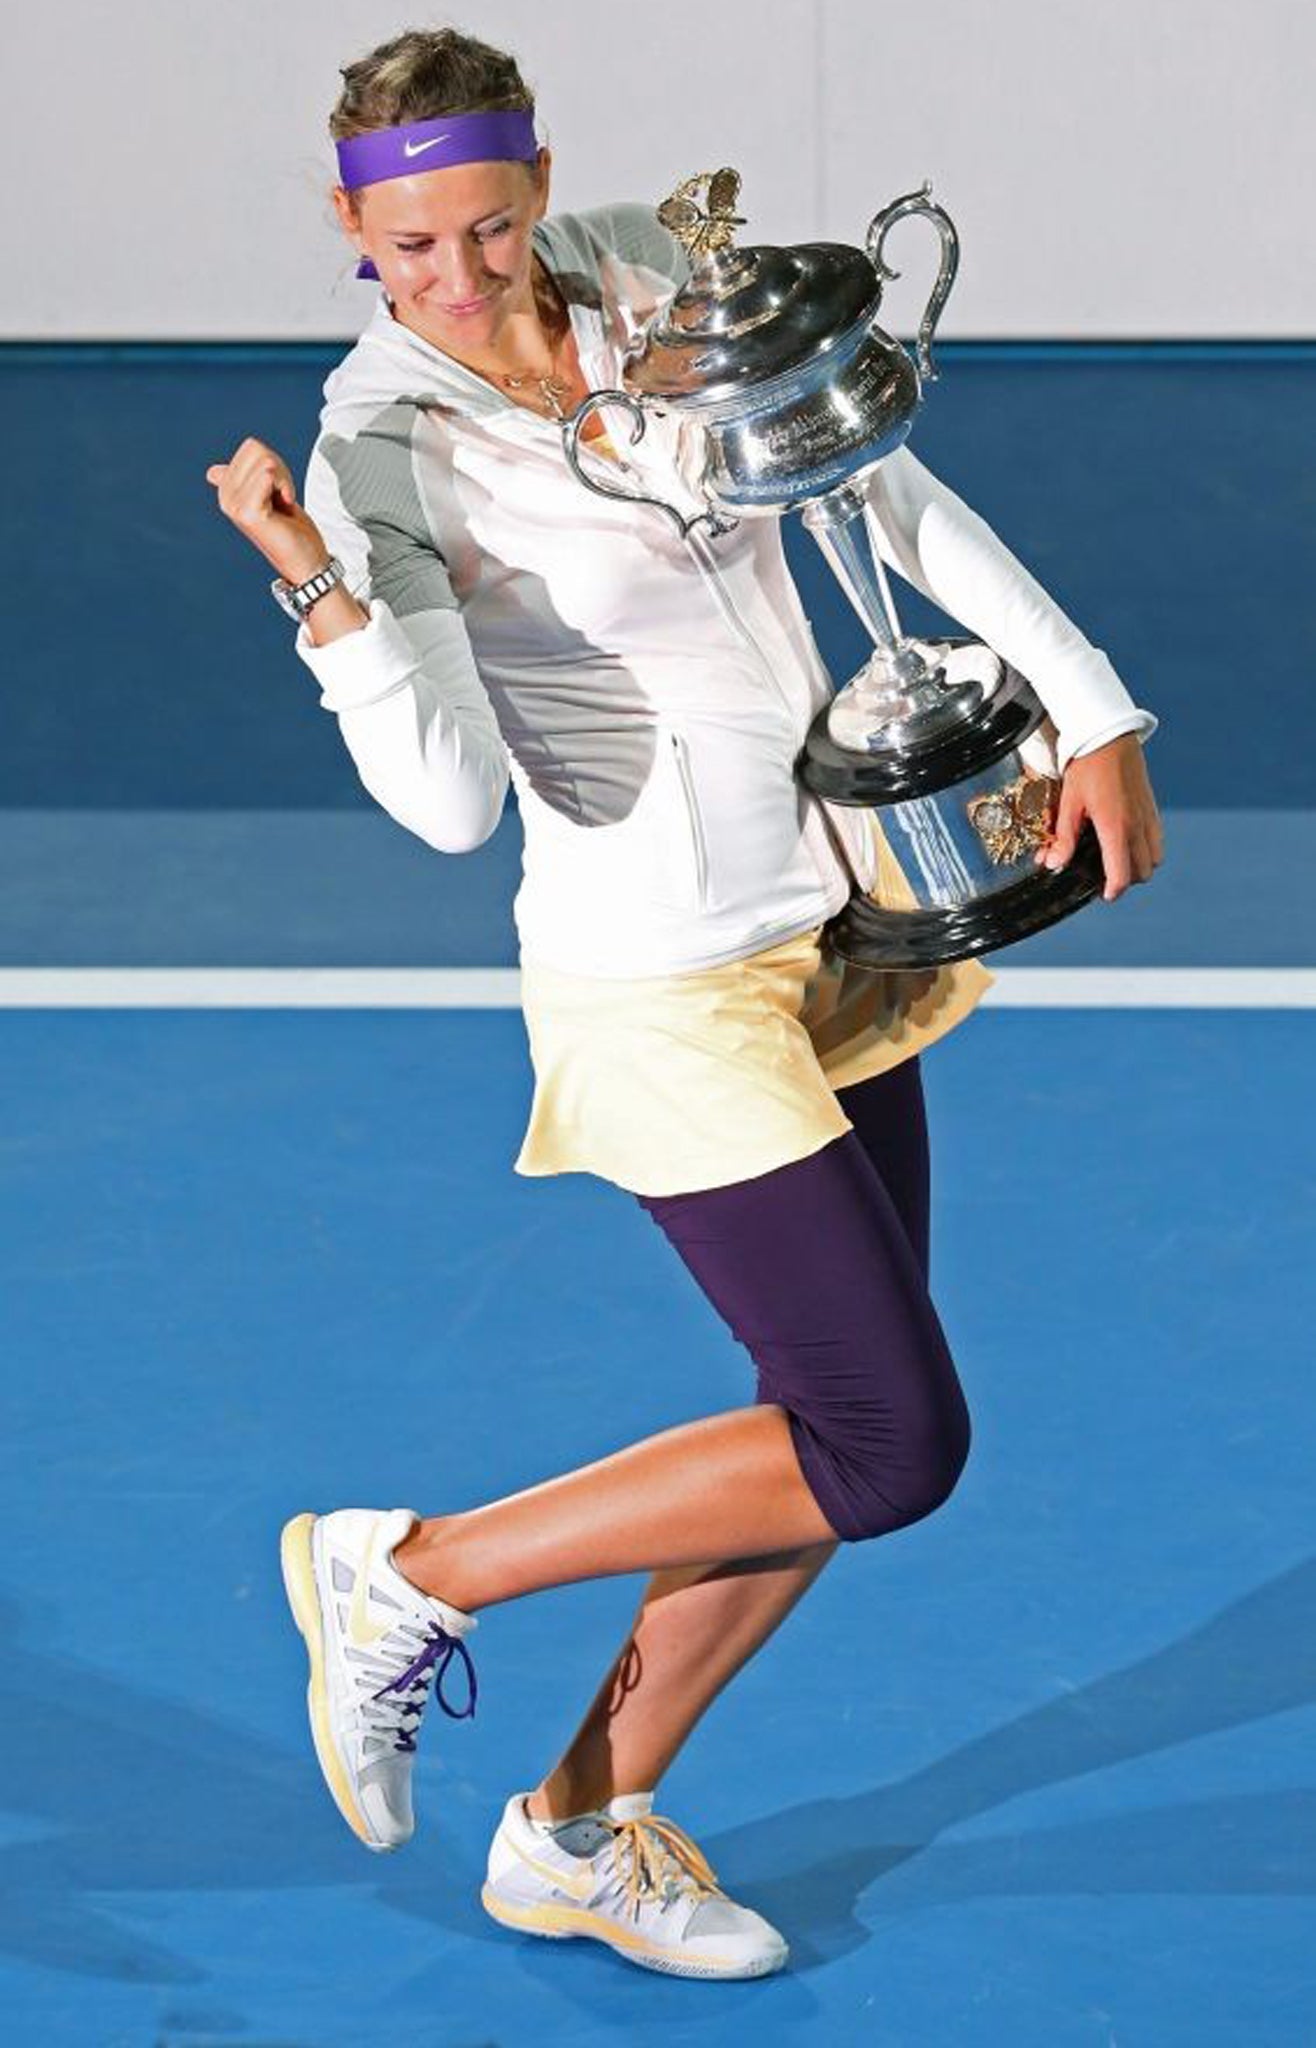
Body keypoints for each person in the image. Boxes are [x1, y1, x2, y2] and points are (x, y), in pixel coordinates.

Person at [205, 25, 1163, 1984]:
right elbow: (451, 802)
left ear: (539, 185)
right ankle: (405, 1569)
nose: (458, 279)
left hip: (830, 917)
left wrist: (1088, 701)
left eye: (486, 228)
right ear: (348, 234)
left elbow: (870, 492)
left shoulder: (650, 270)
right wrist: (329, 600)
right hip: (653, 977)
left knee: (803, 1423)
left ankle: (572, 1824)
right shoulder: (380, 443)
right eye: (408, 249)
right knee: (884, 1439)